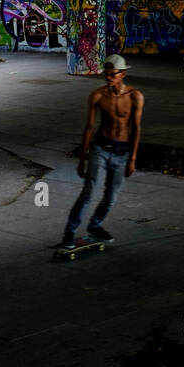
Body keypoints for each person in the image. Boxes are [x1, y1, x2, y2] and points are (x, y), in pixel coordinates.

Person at [60, 55, 144, 250]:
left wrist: (133, 158)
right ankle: (69, 233)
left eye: (112, 74)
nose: (108, 78)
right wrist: (82, 158)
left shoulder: (135, 96)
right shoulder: (97, 96)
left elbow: (137, 129)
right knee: (88, 192)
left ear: (122, 74)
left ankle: (95, 226)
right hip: (100, 148)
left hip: (122, 152)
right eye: (106, 74)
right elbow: (89, 127)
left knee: (111, 196)